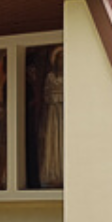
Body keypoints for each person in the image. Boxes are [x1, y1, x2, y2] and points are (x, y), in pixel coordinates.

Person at [39, 46, 63, 187]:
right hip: (54, 111)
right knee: (53, 140)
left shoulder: (69, 76)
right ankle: (53, 172)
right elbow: (46, 94)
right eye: (59, 59)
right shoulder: (50, 77)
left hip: (65, 110)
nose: (62, 62)